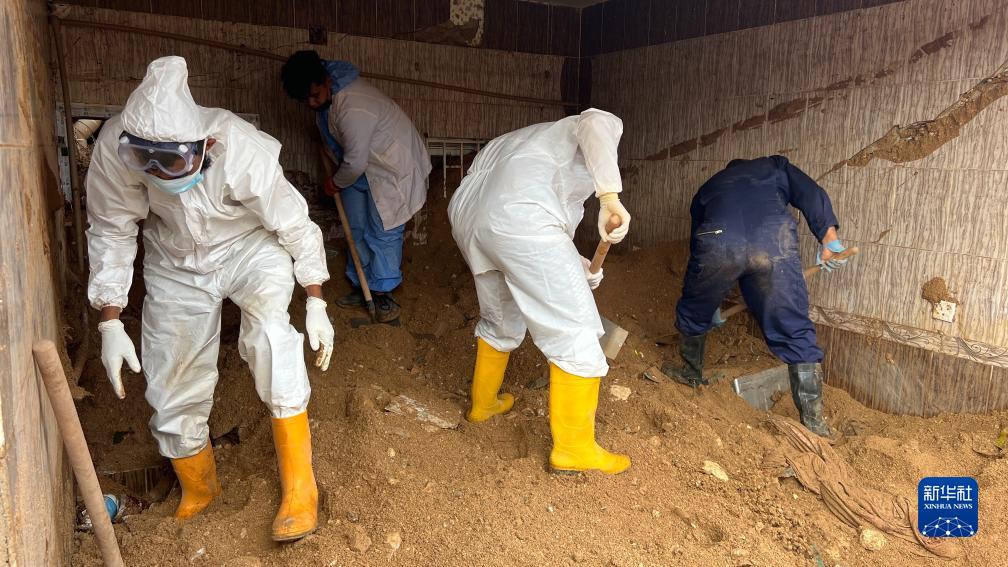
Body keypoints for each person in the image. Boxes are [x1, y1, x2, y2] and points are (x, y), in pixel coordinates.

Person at [87, 56, 333, 541]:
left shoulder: (237, 144)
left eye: (173, 161)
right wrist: (110, 320)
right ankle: (200, 490)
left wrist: (316, 299)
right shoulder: (117, 147)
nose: (158, 172)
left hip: (249, 247)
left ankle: (300, 490)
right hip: (175, 257)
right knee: (170, 371)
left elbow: (294, 223)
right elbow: (111, 229)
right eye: (147, 161)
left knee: (271, 337)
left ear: (205, 146)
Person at [448, 108, 633, 475]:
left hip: (471, 218)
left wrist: (578, 266)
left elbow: (536, 235)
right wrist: (610, 197)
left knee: (500, 318)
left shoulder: (523, 143)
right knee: (575, 328)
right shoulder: (586, 125)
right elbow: (596, 121)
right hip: (519, 219)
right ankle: (574, 449)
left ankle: (483, 405)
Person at [662, 156, 849, 437]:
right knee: (792, 324)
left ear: (729, 171)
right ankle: (814, 423)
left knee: (694, 306)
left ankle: (690, 373)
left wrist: (706, 300)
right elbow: (809, 193)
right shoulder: (774, 167)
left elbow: (699, 247)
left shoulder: (709, 187)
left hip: (718, 240)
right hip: (773, 241)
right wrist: (829, 239)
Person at [280, 50, 432, 323]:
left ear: (326, 80)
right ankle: (363, 287)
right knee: (356, 228)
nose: (312, 103)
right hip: (358, 168)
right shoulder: (328, 100)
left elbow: (356, 161)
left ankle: (382, 293)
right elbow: (350, 154)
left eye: (315, 95)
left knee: (383, 231)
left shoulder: (353, 106)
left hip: (389, 168)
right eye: (306, 100)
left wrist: (334, 183)